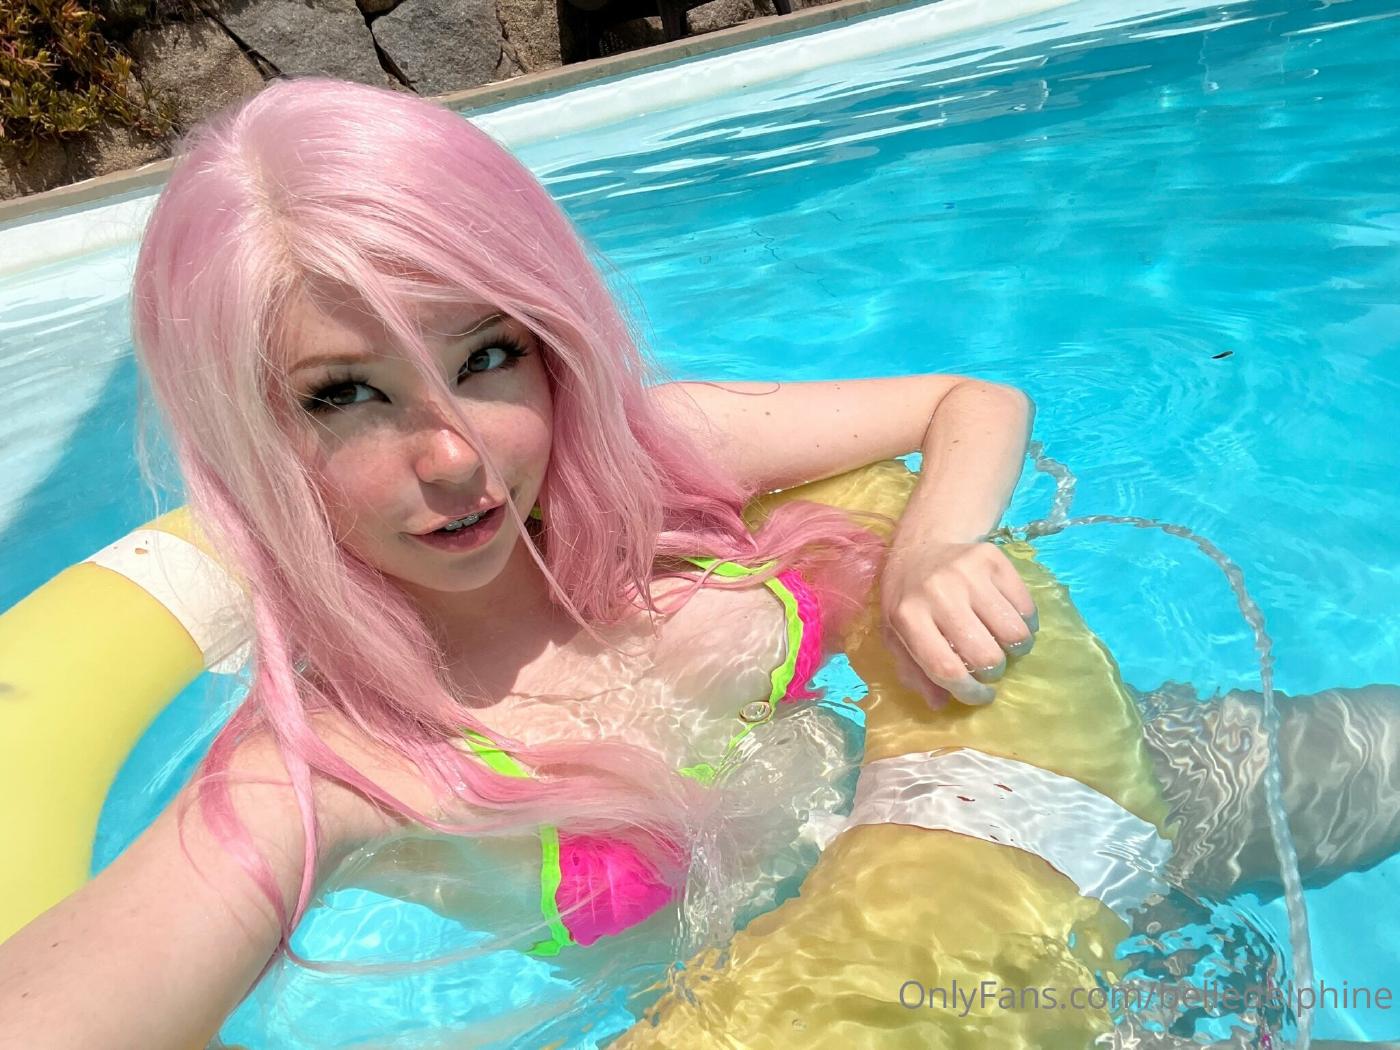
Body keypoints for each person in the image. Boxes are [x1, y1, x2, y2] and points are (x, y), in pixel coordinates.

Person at [0, 76, 1394, 1050]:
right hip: (883, 1017)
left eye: (486, 355)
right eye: (344, 394)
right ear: (245, 434)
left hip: (1090, 799)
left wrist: (933, 545)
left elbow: (969, 401)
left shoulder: (659, 461)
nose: (456, 457)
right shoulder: (347, 764)